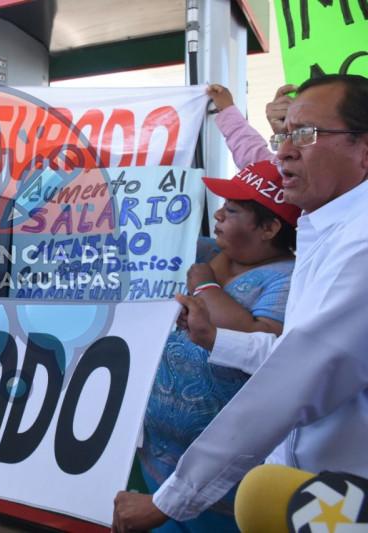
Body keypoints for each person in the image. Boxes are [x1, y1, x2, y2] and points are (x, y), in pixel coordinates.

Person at [112, 74, 368, 532]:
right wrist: (216, 339)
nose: (283, 152)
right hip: (293, 499)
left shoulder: (360, 245)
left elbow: (294, 381)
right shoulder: (325, 230)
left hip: (340, 507)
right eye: (283, 134)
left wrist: (170, 500)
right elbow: (292, 355)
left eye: (306, 134)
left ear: (363, 148)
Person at [138, 160, 299, 533]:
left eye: (233, 210)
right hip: (155, 458)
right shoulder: (203, 251)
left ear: (270, 228)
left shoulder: (288, 278)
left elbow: (260, 339)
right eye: (223, 205)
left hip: (223, 482)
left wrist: (206, 285)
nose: (219, 214)